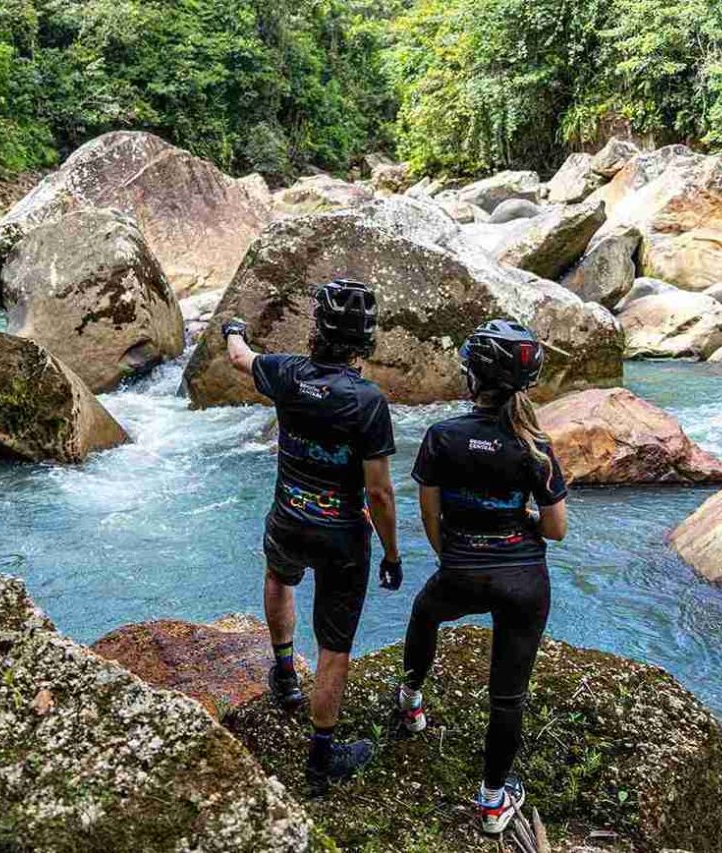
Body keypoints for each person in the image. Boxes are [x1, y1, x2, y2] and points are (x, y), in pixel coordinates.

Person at [222, 279, 402, 796]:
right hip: (342, 537)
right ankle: (322, 761)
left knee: (280, 577)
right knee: (334, 647)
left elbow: (239, 357)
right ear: (365, 340)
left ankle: (284, 674)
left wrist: (233, 328)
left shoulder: (286, 373)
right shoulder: (368, 401)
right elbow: (379, 492)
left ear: (317, 328)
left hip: (288, 516)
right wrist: (392, 554)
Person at [394, 319, 568, 835]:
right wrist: (521, 518)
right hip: (524, 581)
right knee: (508, 696)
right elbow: (556, 529)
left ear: (473, 378)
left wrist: (454, 556)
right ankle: (493, 803)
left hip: (461, 571)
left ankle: (411, 701)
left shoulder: (441, 436)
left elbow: (429, 515)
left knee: (425, 614)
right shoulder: (535, 444)